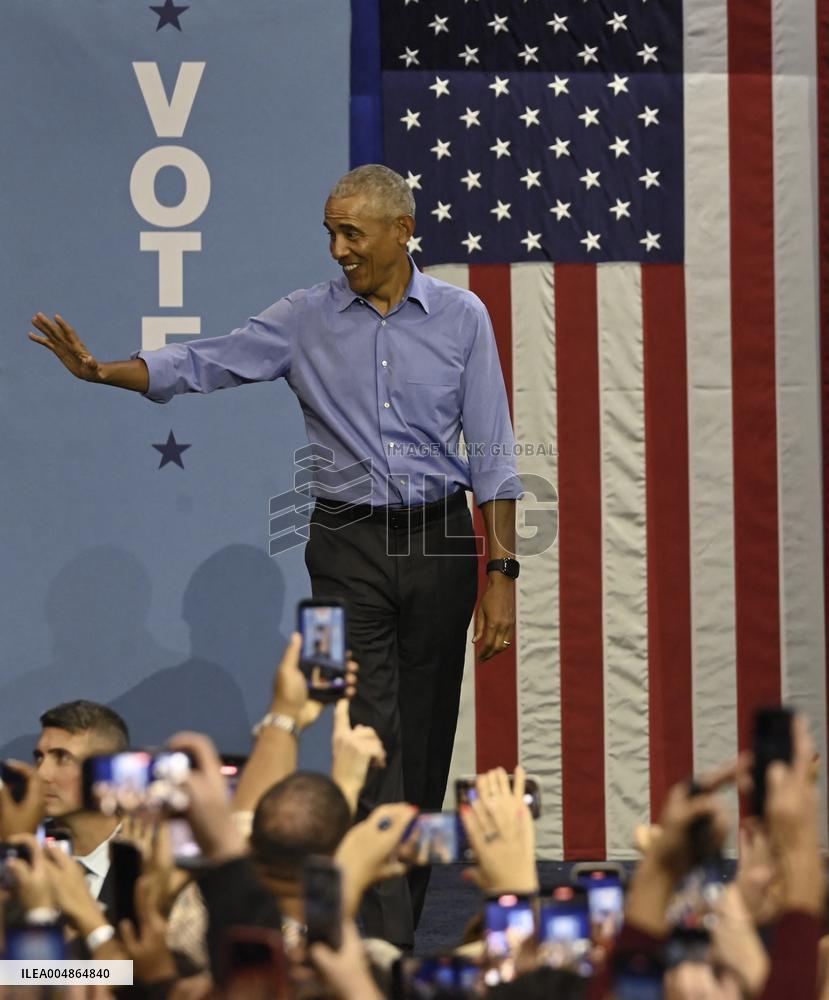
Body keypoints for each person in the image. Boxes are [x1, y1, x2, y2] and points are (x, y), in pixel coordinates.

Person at [28, 163, 523, 948]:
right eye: (330, 233)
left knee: (425, 743)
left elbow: (493, 451)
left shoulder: (463, 318)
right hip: (345, 547)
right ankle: (379, 943)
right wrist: (104, 371)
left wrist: (501, 573)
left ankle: (384, 919)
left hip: (440, 542)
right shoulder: (303, 318)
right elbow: (208, 360)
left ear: (403, 231)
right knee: (369, 733)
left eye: (351, 233)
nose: (337, 249)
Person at [33, 699, 130, 912]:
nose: (41, 774)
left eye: (62, 757)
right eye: (39, 758)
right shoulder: (23, 859)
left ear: (106, 772)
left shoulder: (150, 861)